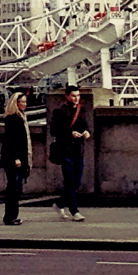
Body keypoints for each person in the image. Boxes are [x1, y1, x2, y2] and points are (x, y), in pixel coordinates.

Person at [49, 84, 91, 221]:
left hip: (78, 150)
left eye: (78, 96)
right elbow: (54, 131)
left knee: (76, 182)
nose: (76, 98)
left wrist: (86, 132)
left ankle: (60, 203)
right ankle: (74, 211)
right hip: (65, 150)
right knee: (70, 180)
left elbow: (85, 126)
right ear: (67, 96)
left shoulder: (81, 110)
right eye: (73, 96)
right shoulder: (59, 111)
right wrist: (69, 134)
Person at [0, 91, 31, 225]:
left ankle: (12, 216)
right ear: (15, 103)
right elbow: (11, 141)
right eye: (21, 102)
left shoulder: (20, 117)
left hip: (18, 158)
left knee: (15, 188)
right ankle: (10, 217)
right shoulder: (13, 119)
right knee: (13, 188)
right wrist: (16, 158)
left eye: (25, 102)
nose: (24, 104)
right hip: (14, 159)